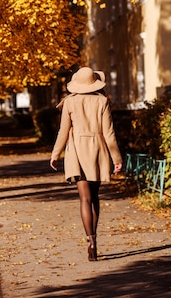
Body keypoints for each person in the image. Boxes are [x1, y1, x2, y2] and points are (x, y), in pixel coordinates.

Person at [50, 66, 123, 261]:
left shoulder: (69, 102)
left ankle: (89, 240)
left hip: (77, 152)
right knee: (95, 197)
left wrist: (55, 154)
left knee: (84, 199)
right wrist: (117, 158)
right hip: (97, 150)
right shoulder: (102, 102)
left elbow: (63, 131)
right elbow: (109, 133)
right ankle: (95, 238)